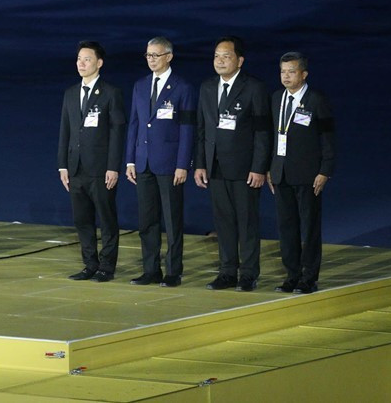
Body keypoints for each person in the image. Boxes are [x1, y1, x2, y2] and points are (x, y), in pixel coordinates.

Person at [194, 36, 271, 291]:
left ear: (240, 60)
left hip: (245, 168)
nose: (220, 61)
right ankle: (227, 272)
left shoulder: (254, 88)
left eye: (226, 56)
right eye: (217, 56)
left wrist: (259, 167)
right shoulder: (206, 87)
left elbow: (262, 131)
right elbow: (202, 129)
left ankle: (248, 273)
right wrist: (200, 164)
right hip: (215, 167)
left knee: (247, 221)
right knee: (223, 221)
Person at [125, 36, 195, 287]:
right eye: (148, 56)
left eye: (156, 55)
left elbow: (187, 128)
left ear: (169, 57)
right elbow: (134, 123)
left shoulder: (182, 88)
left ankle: (173, 271)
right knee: (147, 220)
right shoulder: (140, 86)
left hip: (169, 164)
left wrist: (182, 164)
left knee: (172, 220)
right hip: (143, 162)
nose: (151, 60)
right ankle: (150, 269)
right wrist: (130, 160)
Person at [58, 40, 126, 282]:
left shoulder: (110, 93)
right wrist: (62, 165)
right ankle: (90, 264)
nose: (81, 64)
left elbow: (118, 132)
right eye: (79, 59)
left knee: (106, 219)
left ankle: (107, 266)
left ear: (99, 63)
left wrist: (113, 167)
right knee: (82, 220)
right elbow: (64, 131)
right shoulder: (70, 93)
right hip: (75, 168)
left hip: (100, 169)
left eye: (87, 59)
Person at [267, 52, 335, 294]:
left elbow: (328, 137)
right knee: (286, 227)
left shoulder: (316, 100)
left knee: (309, 228)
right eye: (283, 71)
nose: (286, 76)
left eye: (291, 71)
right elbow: (273, 137)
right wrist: (270, 168)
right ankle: (292, 275)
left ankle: (309, 277)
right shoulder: (276, 99)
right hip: (281, 174)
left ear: (304, 74)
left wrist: (325, 170)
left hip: (308, 175)